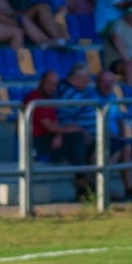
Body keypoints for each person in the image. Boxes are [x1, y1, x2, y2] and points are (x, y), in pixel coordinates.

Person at [85, 68, 132, 200]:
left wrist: (123, 137)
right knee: (126, 146)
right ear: (96, 82)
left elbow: (120, 120)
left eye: (110, 82)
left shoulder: (113, 96)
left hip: (116, 138)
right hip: (102, 138)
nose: (108, 85)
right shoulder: (90, 98)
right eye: (104, 82)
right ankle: (129, 188)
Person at [25, 68, 93, 200]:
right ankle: (83, 185)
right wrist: (73, 128)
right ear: (41, 82)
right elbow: (50, 127)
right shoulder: (35, 99)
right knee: (78, 140)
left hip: (49, 138)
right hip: (37, 143)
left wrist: (59, 135)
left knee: (83, 143)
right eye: (49, 83)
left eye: (55, 85)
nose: (51, 87)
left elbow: (54, 122)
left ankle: (85, 184)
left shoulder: (49, 99)